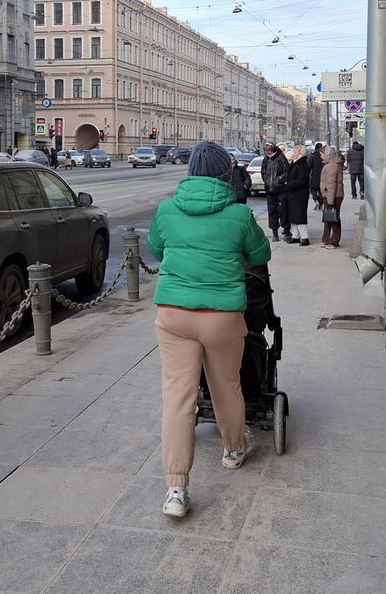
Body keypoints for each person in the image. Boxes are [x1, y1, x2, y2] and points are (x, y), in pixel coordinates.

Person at [147, 141, 271, 519]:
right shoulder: (238, 214)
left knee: (178, 398)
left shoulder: (167, 210)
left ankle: (175, 489)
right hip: (222, 317)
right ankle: (233, 450)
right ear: (224, 173)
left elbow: (156, 249)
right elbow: (261, 254)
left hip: (173, 315)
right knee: (226, 386)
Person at [260, 141, 290, 241]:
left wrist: (279, 180)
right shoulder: (266, 159)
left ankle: (286, 230)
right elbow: (263, 172)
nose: (267, 152)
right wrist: (267, 180)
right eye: (266, 151)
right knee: (272, 211)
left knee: (283, 211)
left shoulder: (281, 157)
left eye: (269, 150)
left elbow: (287, 172)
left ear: (273, 149)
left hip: (280, 189)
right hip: (269, 190)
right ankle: (275, 233)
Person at [319, 146, 345, 249]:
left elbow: (331, 184)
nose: (321, 156)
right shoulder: (330, 164)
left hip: (334, 196)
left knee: (334, 218)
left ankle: (334, 241)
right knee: (328, 218)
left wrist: (330, 201)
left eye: (321, 154)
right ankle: (326, 240)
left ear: (326, 154)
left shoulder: (331, 166)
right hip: (330, 195)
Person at [285, 145, 311, 245]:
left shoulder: (302, 165)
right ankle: (295, 235)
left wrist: (289, 185)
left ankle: (304, 237)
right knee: (293, 216)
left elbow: (302, 180)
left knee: (300, 216)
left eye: (296, 152)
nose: (294, 153)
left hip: (300, 194)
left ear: (300, 153)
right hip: (293, 193)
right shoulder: (296, 164)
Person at [307, 142, 324, 210]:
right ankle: (320, 205)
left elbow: (309, 166)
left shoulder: (313, 156)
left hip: (315, 175)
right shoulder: (323, 155)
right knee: (321, 191)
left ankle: (315, 199)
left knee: (313, 189)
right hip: (323, 175)